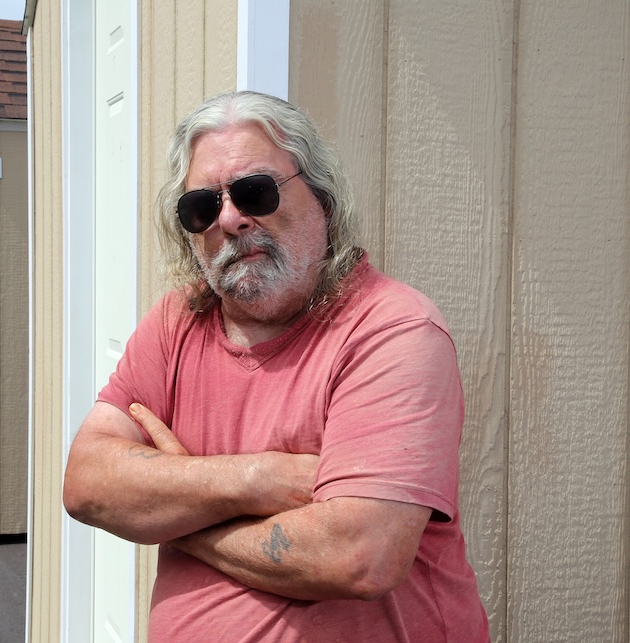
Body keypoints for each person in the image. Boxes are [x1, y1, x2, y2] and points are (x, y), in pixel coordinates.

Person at [63, 90, 490, 642]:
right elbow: (87, 483)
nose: (232, 219)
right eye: (203, 206)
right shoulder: (175, 322)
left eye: (255, 191)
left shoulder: (392, 329)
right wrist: (257, 478)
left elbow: (359, 556)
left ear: (322, 197)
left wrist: (180, 517)